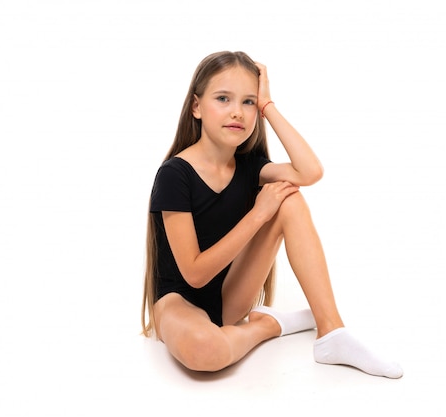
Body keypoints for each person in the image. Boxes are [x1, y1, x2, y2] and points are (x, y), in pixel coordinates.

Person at [141, 51, 402, 379]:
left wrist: (268, 106)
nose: (237, 111)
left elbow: (310, 171)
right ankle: (268, 326)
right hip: (181, 302)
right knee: (204, 351)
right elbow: (194, 274)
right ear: (196, 107)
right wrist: (257, 215)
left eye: (247, 102)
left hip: (229, 300)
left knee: (289, 198)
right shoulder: (174, 174)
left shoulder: (251, 166)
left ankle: (331, 332)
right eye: (223, 98)